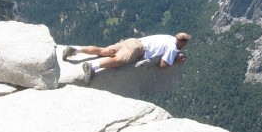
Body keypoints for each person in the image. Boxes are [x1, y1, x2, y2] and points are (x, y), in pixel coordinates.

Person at [62, 32, 191, 85]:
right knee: (119, 61)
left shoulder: (168, 37)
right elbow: (163, 64)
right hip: (138, 49)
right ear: (183, 42)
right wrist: (176, 61)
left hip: (133, 41)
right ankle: (92, 66)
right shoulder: (173, 47)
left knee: (105, 51)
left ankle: (75, 49)